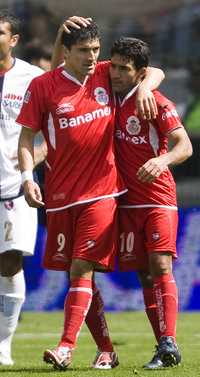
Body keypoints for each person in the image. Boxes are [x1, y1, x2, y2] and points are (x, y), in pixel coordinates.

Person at [17, 19, 164, 370]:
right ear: (66, 52)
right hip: (60, 195)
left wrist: (144, 88)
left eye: (96, 50)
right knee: (79, 275)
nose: (92, 57)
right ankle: (107, 350)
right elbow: (26, 139)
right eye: (84, 50)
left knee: (81, 267)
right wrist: (27, 176)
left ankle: (66, 346)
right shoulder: (43, 86)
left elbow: (153, 70)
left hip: (102, 191)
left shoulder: (103, 75)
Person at [109, 37, 193, 369]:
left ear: (139, 73)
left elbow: (184, 146)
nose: (115, 73)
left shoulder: (155, 101)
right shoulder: (107, 97)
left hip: (157, 197)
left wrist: (162, 161)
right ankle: (164, 346)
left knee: (160, 266)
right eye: (112, 66)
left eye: (123, 69)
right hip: (126, 203)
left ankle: (170, 340)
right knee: (145, 275)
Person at [0, 10, 45, 366]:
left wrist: (32, 162)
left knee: (10, 263)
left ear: (13, 39)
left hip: (14, 186)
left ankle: (3, 347)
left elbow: (54, 133)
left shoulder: (33, 78)